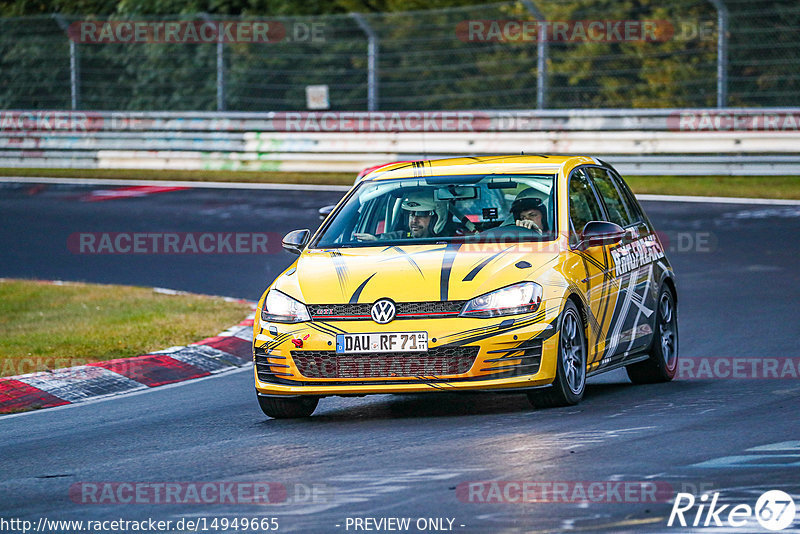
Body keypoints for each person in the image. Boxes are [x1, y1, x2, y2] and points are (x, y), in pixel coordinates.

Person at [354, 191, 450, 241]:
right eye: (411, 214)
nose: (414, 220)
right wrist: (375, 241)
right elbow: (382, 240)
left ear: (437, 218)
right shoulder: (399, 238)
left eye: (421, 214)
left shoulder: (453, 241)